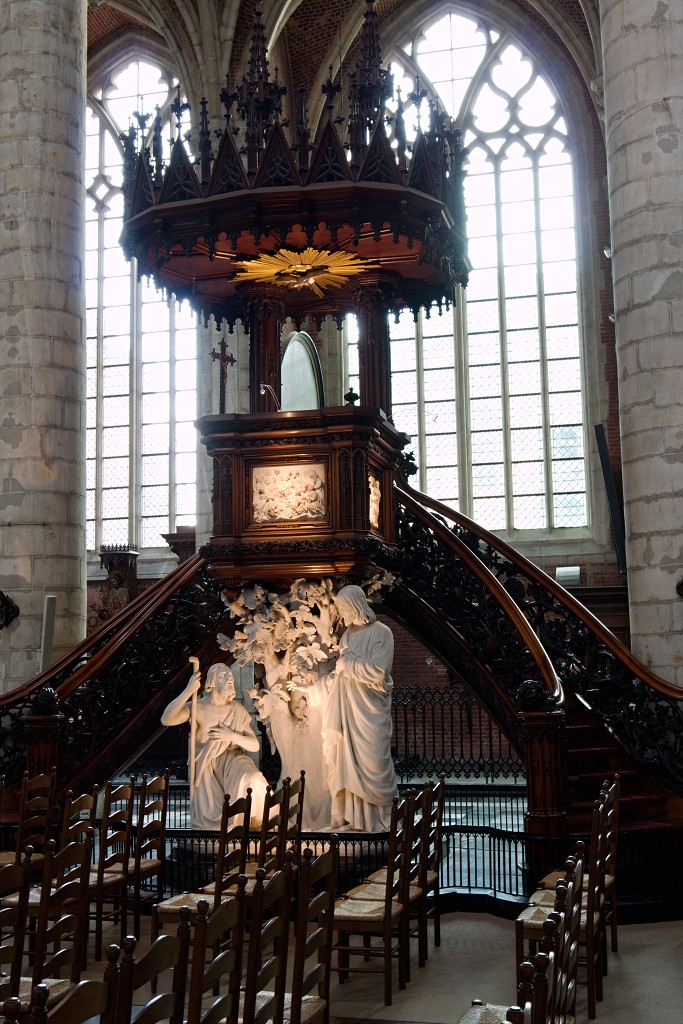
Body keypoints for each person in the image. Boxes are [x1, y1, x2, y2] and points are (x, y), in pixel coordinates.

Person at [321, 585, 398, 831]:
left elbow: (378, 671)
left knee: (374, 763)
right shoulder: (348, 635)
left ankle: (376, 821)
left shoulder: (381, 632)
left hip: (369, 711)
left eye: (344, 608)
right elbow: (340, 674)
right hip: (347, 710)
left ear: (355, 605)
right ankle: (353, 819)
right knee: (346, 760)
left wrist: (347, 663)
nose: (341, 614)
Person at [161, 660, 268, 830]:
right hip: (207, 766)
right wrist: (188, 690)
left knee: (255, 779)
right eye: (223, 675)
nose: (230, 678)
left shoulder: (236, 709)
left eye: (230, 675)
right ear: (211, 682)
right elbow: (166, 719)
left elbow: (254, 745)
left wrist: (231, 735)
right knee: (213, 819)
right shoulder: (198, 707)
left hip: (233, 762)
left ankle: (257, 823)